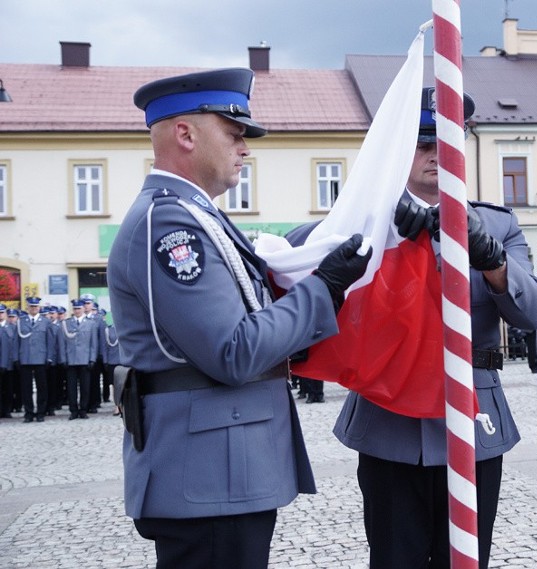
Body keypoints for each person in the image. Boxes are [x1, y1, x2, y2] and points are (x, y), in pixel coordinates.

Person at [107, 67, 371, 569]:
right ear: (185, 133)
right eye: (233, 134)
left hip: (220, 469)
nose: (245, 148)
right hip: (207, 473)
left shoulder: (195, 213)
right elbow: (233, 351)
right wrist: (325, 286)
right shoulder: (169, 221)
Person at [290, 87, 537, 568]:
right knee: (395, 558)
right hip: (391, 418)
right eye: (422, 144)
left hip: (473, 415)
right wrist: (378, 218)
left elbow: (532, 313)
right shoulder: (369, 218)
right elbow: (302, 256)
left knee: (468, 560)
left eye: (445, 143)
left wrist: (489, 257)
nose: (435, 156)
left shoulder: (495, 223)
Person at [17, 296, 55, 423]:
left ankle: (40, 412)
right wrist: (16, 358)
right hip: (25, 358)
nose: (33, 308)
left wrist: (49, 357)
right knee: (26, 388)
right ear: (27, 308)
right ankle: (28, 413)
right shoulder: (20, 321)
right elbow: (16, 342)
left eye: (36, 306)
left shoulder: (46, 322)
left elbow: (50, 341)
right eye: (31, 306)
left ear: (39, 308)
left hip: (40, 358)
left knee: (42, 387)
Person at [59, 299, 98, 420]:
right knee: (71, 388)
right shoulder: (67, 323)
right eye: (75, 309)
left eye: (79, 308)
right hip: (71, 360)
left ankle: (83, 410)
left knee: (85, 387)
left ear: (83, 309)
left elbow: (93, 343)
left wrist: (92, 359)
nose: (77, 311)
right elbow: (62, 344)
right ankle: (73, 410)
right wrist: (63, 359)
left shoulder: (91, 323)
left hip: (85, 359)